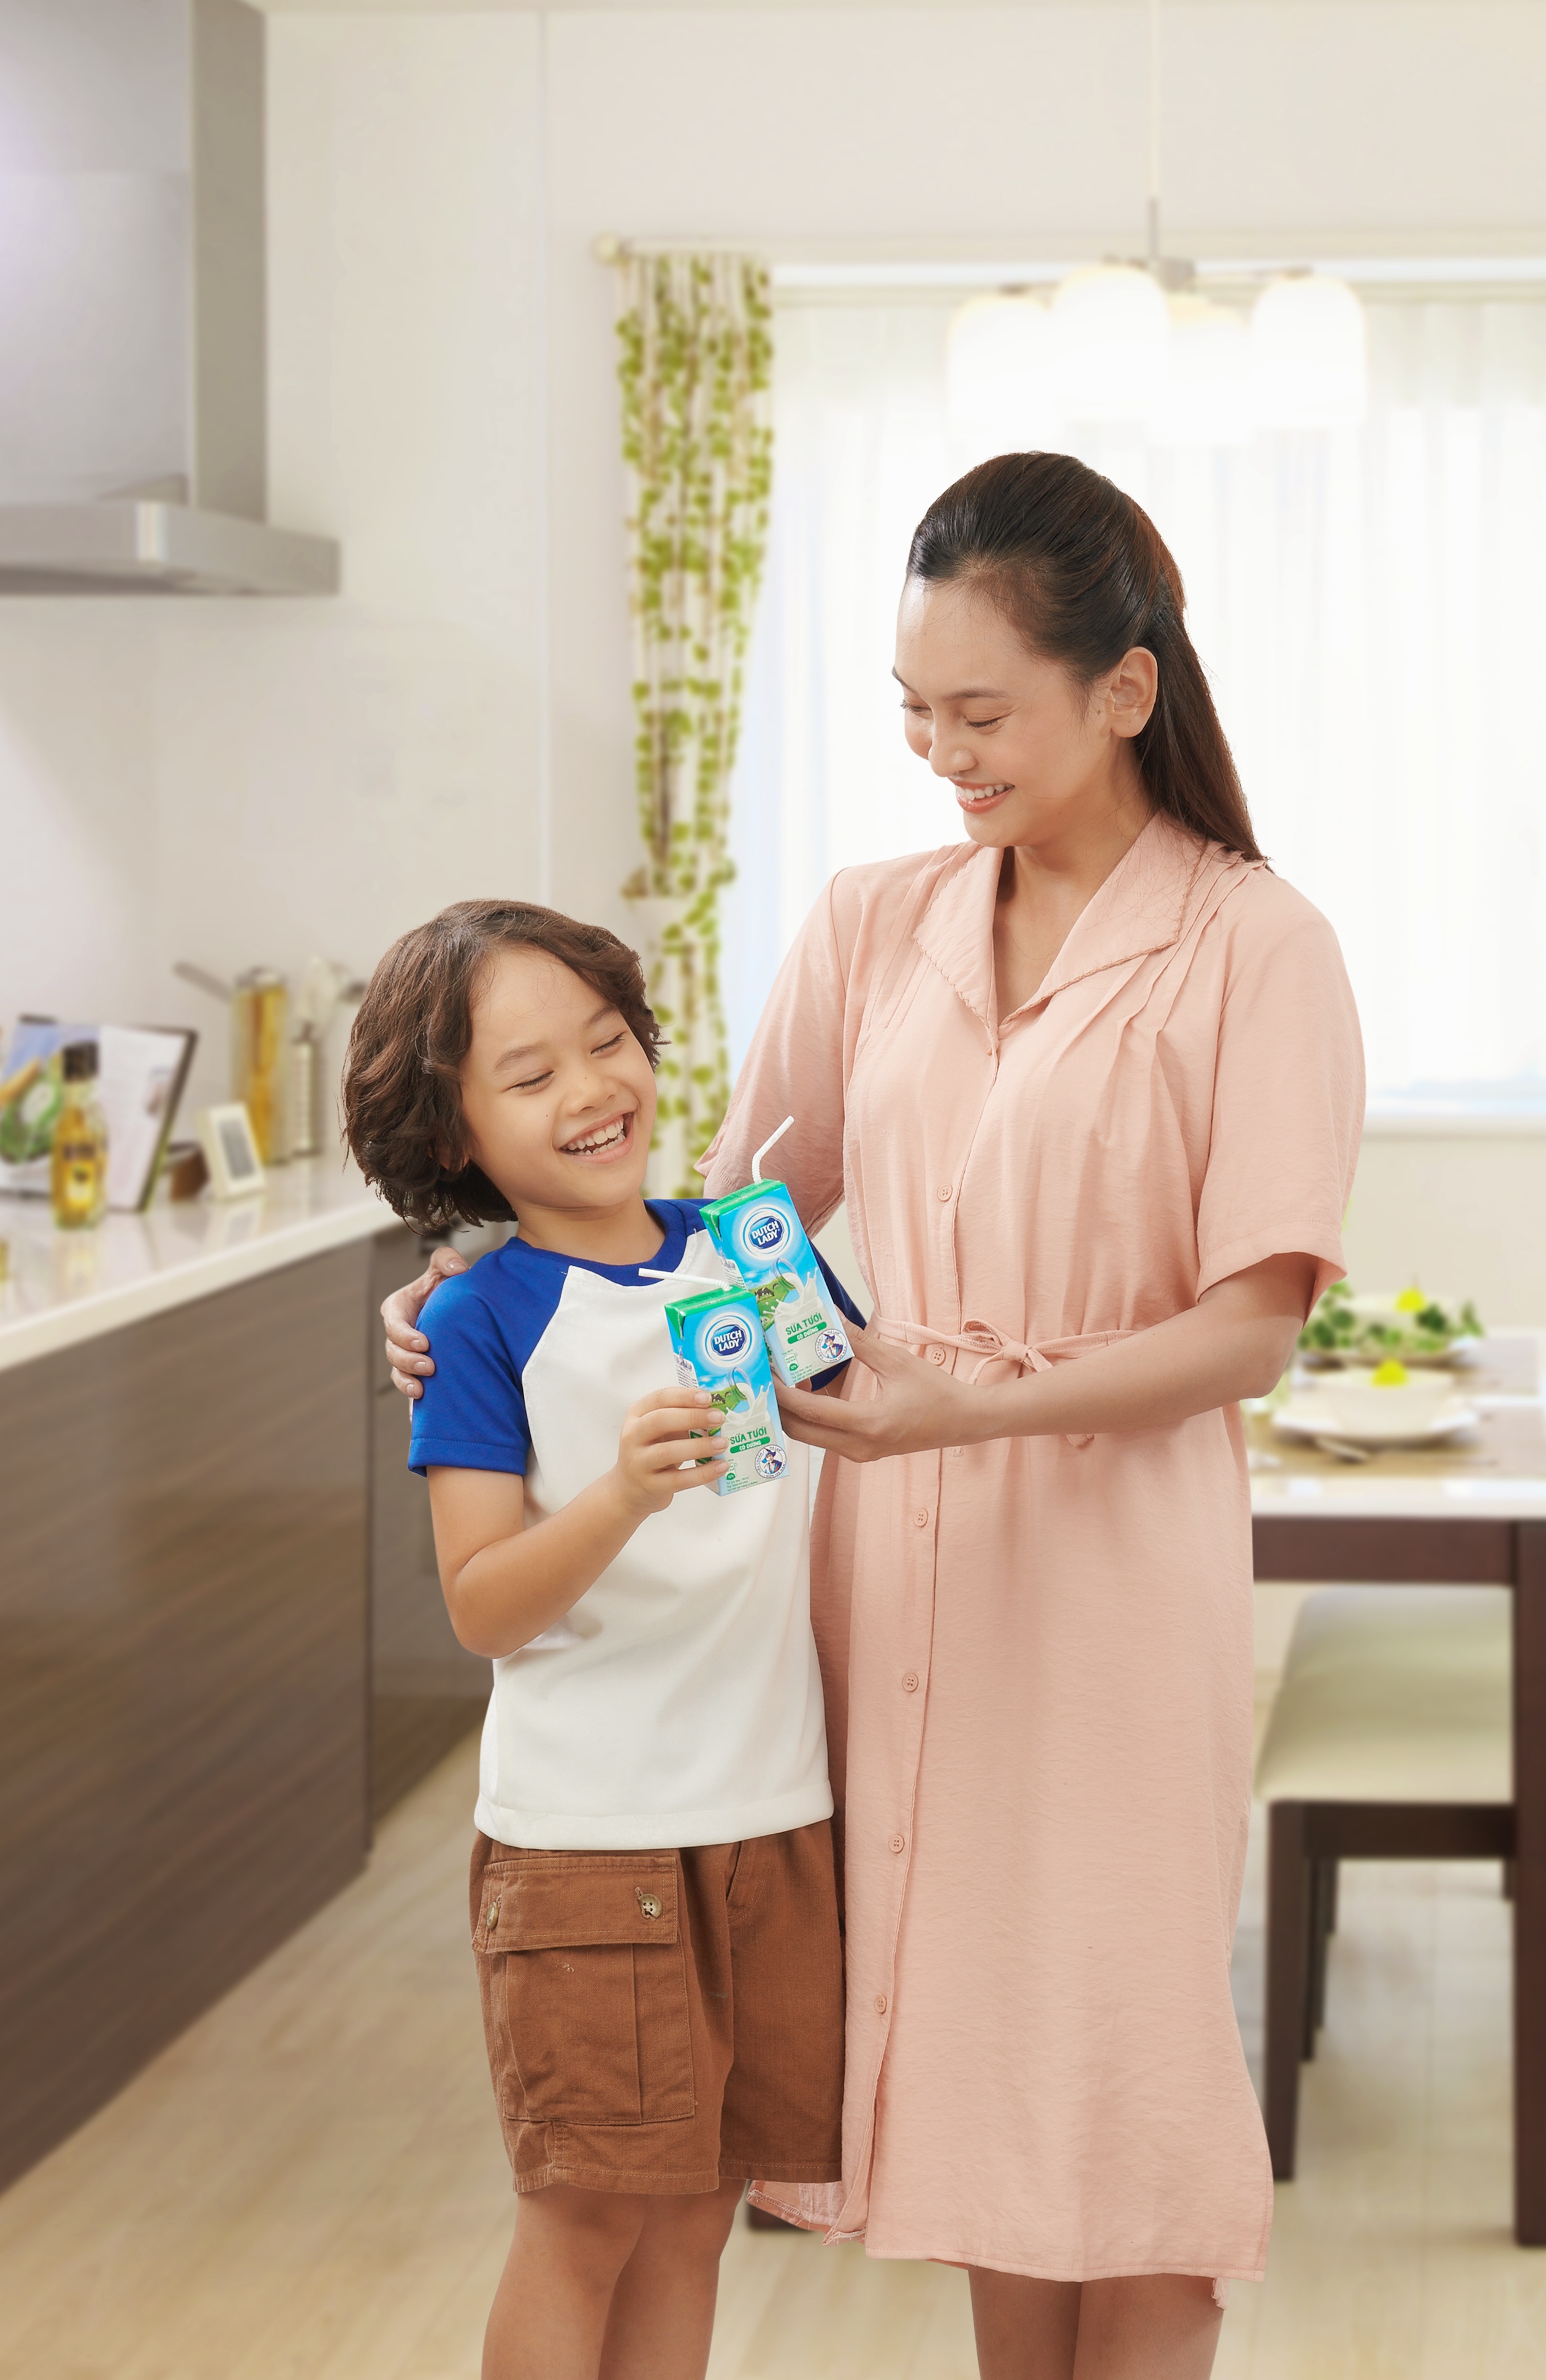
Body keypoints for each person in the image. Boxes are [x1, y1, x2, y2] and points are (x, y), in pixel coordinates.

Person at [386, 454, 1365, 2380]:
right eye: (913, 710)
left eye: (979, 712)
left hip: (1108, 1583)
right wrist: (469, 1279)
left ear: (1125, 690)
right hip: (885, 1582)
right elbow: (702, 1220)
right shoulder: (868, 923)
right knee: (994, 2096)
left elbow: (1250, 1328)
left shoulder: (1258, 946)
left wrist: (959, 1412)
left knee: (1130, 2090)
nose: (939, 753)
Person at [343, 899, 856, 2380]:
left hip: (771, 1812)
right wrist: (623, 1493)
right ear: (452, 1136)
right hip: (590, 1841)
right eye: (529, 1074)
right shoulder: (479, 1320)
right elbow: (481, 1604)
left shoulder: (752, 1254)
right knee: (582, 2221)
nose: (590, 1088)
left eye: (607, 1039)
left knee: (694, 2216)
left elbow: (883, 1409)